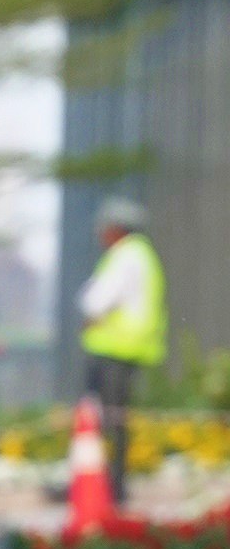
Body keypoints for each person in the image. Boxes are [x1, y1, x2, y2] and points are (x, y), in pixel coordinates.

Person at [77, 198, 167, 508]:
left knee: (106, 419)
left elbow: (96, 300)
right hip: (126, 348)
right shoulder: (141, 254)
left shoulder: (126, 255)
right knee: (112, 419)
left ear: (116, 228)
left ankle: (108, 485)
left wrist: (90, 313)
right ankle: (107, 482)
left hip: (114, 348)